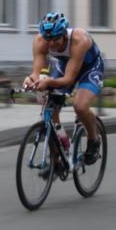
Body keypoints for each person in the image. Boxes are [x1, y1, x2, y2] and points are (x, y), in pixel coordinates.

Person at [24, 12, 104, 165]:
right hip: (66, 65)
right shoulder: (40, 41)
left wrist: (48, 82)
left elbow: (68, 79)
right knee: (49, 107)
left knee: (80, 106)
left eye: (55, 39)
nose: (51, 43)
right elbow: (37, 72)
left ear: (64, 35)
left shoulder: (79, 40)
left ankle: (94, 139)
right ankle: (59, 150)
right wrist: (31, 80)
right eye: (48, 39)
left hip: (90, 68)